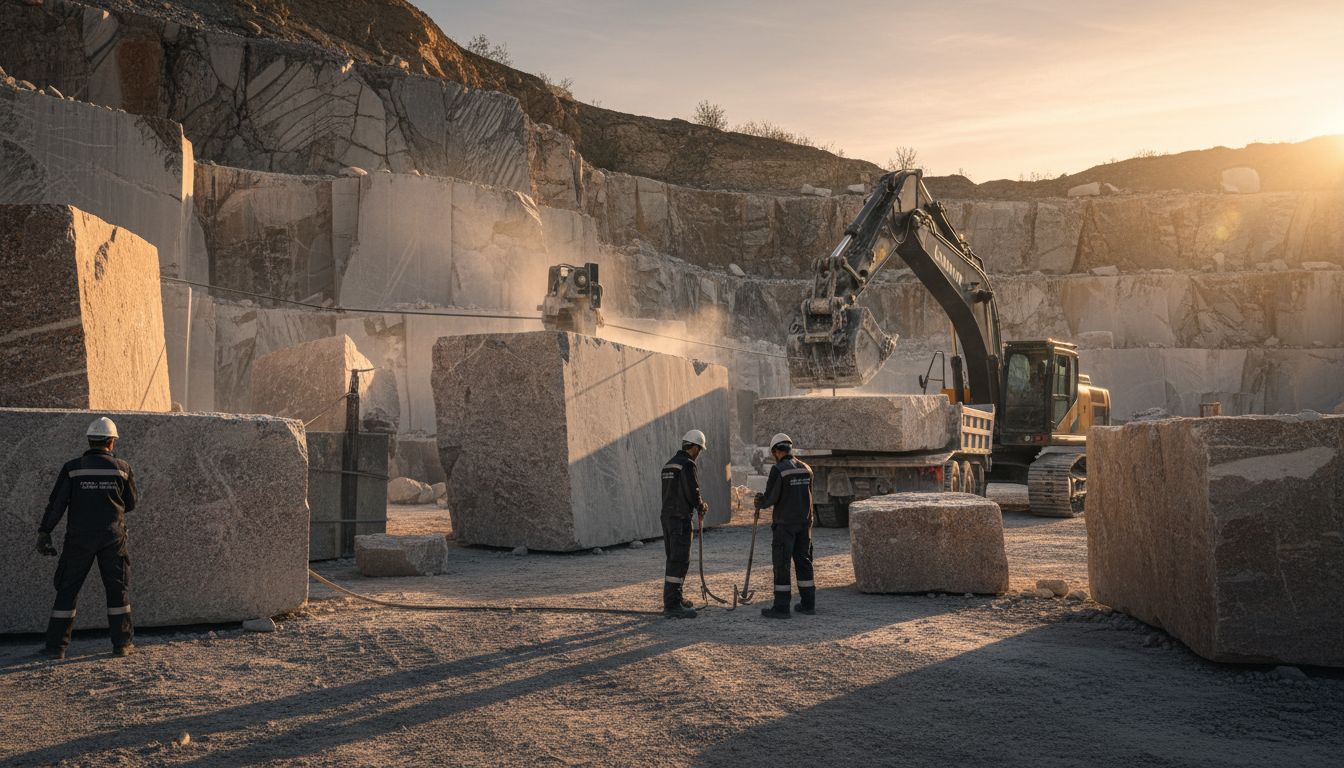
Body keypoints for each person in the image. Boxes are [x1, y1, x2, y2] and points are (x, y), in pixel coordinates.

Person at [36, 417, 138, 659]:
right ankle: (122, 645)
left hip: (78, 539)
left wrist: (44, 532)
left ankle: (56, 648)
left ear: (90, 441)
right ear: (111, 442)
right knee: (117, 590)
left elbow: (57, 504)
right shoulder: (122, 468)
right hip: (113, 538)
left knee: (67, 590)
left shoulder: (72, 468)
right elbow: (131, 503)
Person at [754, 433, 815, 619]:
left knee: (782, 565)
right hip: (805, 524)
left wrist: (760, 502)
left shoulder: (778, 470)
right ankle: (808, 604)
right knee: (804, 562)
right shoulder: (806, 469)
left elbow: (771, 497)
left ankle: (781, 608)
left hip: (785, 526)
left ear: (776, 451)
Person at [659, 429, 710, 618]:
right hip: (680, 519)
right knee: (679, 560)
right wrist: (700, 506)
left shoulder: (668, 465)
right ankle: (672, 605)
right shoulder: (687, 465)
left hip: (667, 517)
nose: (699, 454)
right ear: (694, 447)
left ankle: (675, 598)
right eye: (700, 450)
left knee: (672, 558)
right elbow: (692, 489)